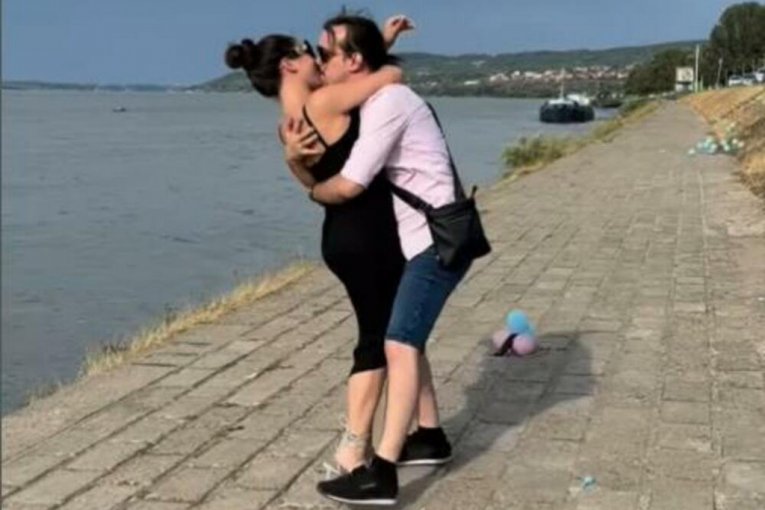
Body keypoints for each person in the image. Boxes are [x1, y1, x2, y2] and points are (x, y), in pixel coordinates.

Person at [282, 14, 473, 506]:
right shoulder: (374, 95)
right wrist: (380, 46)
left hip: (435, 243)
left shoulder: (388, 103)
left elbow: (350, 184)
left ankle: (382, 474)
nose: (320, 62)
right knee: (406, 336)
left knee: (398, 343)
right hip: (424, 241)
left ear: (353, 61)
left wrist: (310, 188)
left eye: (326, 54)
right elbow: (341, 82)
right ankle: (429, 437)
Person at [224, 14, 413, 474]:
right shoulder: (327, 101)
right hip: (369, 235)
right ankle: (352, 449)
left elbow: (313, 183)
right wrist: (380, 54)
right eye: (311, 51)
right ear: (289, 64)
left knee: (386, 331)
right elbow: (387, 76)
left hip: (340, 235)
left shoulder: (287, 126)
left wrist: (380, 41)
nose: (319, 58)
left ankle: (410, 431)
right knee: (377, 340)